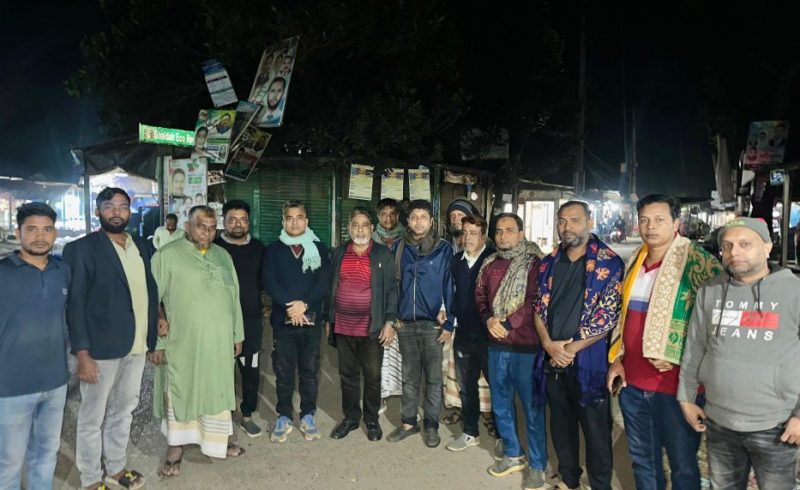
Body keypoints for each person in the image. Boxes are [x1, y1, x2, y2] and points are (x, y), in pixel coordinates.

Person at [607, 194, 721, 490]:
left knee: (683, 466)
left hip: (677, 388)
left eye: (659, 220)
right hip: (633, 385)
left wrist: (679, 354)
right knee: (643, 461)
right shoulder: (636, 259)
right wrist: (617, 357)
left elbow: (718, 327)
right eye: (644, 220)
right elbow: (623, 317)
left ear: (676, 223)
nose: (650, 227)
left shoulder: (701, 263)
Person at [678, 217, 800, 489]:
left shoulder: (794, 292)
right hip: (720, 422)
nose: (734, 252)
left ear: (767, 247)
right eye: (727, 245)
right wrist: (685, 397)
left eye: (745, 244)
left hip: (776, 425)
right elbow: (695, 346)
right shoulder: (710, 290)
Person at [63, 188, 159, 490]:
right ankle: (91, 478)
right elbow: (75, 304)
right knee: (92, 416)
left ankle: (116, 469)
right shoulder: (81, 249)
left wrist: (159, 316)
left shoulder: (141, 245)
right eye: (109, 206)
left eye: (123, 206)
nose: (117, 212)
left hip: (137, 344)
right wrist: (82, 354)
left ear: (130, 211)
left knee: (124, 410)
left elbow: (148, 287)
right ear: (97, 211)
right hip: (101, 349)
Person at [533, 201, 624, 490]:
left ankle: (599, 484)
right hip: (553, 358)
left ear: (589, 223)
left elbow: (608, 315)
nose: (567, 227)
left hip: (588, 362)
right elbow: (538, 307)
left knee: (596, 430)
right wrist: (548, 344)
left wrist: (570, 350)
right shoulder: (548, 263)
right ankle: (569, 478)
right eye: (562, 221)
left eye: (574, 220)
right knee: (561, 425)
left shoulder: (609, 263)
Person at [150, 205, 246, 477]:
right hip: (183, 343)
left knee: (217, 390)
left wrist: (237, 334)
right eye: (201, 226)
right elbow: (152, 299)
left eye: (212, 227)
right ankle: (175, 448)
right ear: (187, 227)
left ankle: (217, 442)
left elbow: (234, 297)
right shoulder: (166, 255)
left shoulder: (223, 256)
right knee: (181, 391)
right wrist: (157, 342)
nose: (207, 232)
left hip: (218, 343)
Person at [0, 203, 70, 489]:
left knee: (46, 454)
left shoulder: (62, 271)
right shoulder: (3, 273)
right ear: (18, 233)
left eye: (47, 229)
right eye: (32, 229)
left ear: (55, 233)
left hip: (55, 382)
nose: (40, 236)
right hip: (11, 387)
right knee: (9, 462)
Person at [475, 213, 547, 489]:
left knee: (532, 408)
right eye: (499, 231)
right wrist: (488, 320)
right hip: (496, 345)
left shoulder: (535, 263)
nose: (503, 235)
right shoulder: (490, 263)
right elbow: (480, 295)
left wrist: (506, 323)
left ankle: (537, 464)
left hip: (526, 346)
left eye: (509, 230)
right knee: (501, 403)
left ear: (521, 233)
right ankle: (513, 453)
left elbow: (534, 301)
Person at [386, 199, 455, 448]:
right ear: (408, 221)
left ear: (431, 221)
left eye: (423, 217)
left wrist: (449, 322)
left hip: (432, 325)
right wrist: (393, 316)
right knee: (409, 377)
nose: (418, 222)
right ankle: (408, 423)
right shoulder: (399, 247)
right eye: (414, 217)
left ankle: (432, 425)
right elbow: (392, 284)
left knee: (434, 379)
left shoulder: (444, 248)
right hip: (405, 324)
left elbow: (450, 285)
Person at [326, 207, 397, 441]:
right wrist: (329, 318)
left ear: (372, 228)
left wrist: (389, 322)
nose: (360, 230)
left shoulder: (382, 254)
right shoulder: (338, 253)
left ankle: (372, 419)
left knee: (372, 377)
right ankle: (351, 418)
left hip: (372, 328)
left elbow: (392, 290)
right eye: (355, 225)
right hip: (343, 326)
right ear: (349, 228)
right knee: (348, 376)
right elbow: (330, 287)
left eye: (364, 225)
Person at [263, 200, 331, 442]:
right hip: (283, 321)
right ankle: (283, 415)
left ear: (306, 221)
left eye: (299, 217)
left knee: (310, 370)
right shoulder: (273, 249)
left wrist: (305, 305)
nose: (294, 222)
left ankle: (308, 414)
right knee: (283, 371)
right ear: (283, 221)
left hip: (311, 321)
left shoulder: (318, 248)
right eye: (289, 218)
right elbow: (269, 282)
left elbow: (323, 281)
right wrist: (291, 307)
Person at [213, 200, 266, 437]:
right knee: (220, 370)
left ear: (249, 222)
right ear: (223, 221)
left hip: (251, 320)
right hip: (219, 321)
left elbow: (264, 281)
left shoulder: (258, 248)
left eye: (243, 220)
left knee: (250, 370)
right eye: (232, 220)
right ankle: (218, 418)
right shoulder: (213, 248)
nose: (238, 224)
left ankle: (247, 415)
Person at [446, 215, 497, 452]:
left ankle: (503, 435)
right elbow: (450, 292)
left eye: (473, 233)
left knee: (497, 386)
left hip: (490, 335)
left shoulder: (494, 260)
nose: (467, 238)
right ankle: (470, 432)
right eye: (464, 233)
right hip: (464, 333)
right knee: (467, 387)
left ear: (483, 236)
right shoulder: (456, 261)